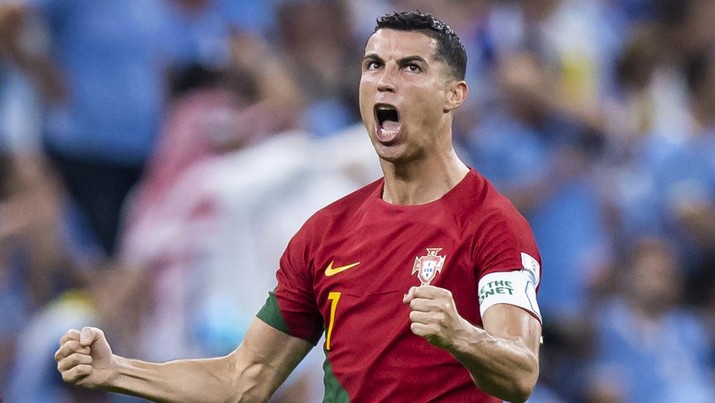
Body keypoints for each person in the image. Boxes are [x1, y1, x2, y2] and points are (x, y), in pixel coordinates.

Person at [54, 11, 543, 402]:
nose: (384, 81)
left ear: (453, 95)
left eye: (410, 67)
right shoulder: (326, 232)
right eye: (373, 65)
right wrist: (118, 370)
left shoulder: (491, 224)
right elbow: (243, 379)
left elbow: (520, 372)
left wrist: (461, 335)